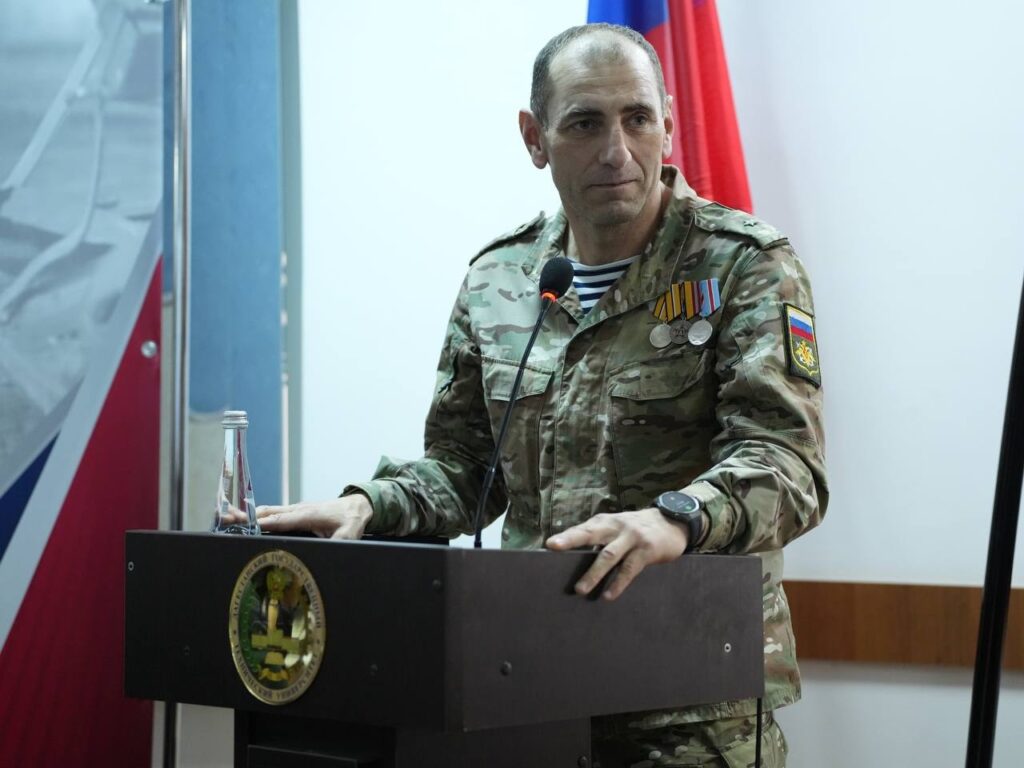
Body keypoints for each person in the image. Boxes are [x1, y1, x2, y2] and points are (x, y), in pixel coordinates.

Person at [258, 22, 827, 767]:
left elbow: (788, 464)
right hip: (529, 685)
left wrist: (677, 518)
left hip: (689, 702)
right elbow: (468, 469)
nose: (617, 150)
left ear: (669, 125)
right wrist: (370, 506)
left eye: (637, 119)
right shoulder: (499, 278)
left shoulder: (744, 265)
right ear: (535, 138)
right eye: (585, 124)